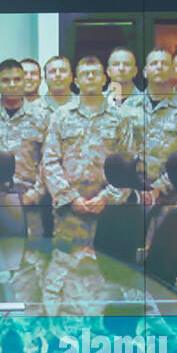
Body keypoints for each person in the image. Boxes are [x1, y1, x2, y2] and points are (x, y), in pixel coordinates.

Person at [42, 55, 136, 246]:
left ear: (104, 79)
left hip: (109, 211)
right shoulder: (60, 116)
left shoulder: (121, 118)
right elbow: (50, 162)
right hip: (69, 212)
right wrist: (71, 198)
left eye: (95, 74)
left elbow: (129, 164)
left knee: (109, 269)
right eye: (85, 74)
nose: (91, 77)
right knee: (67, 268)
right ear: (76, 81)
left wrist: (106, 197)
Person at [123, 48, 177, 203]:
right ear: (145, 72)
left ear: (173, 72)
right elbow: (120, 150)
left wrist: (159, 188)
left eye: (164, 64)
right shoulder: (128, 107)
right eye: (154, 63)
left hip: (173, 194)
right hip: (132, 195)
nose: (159, 67)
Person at [0, 59, 49, 236]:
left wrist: (35, 193)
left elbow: (49, 161)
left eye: (17, 79)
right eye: (6, 80)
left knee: (32, 259)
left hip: (30, 206)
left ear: (24, 81)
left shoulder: (42, 117)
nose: (12, 85)